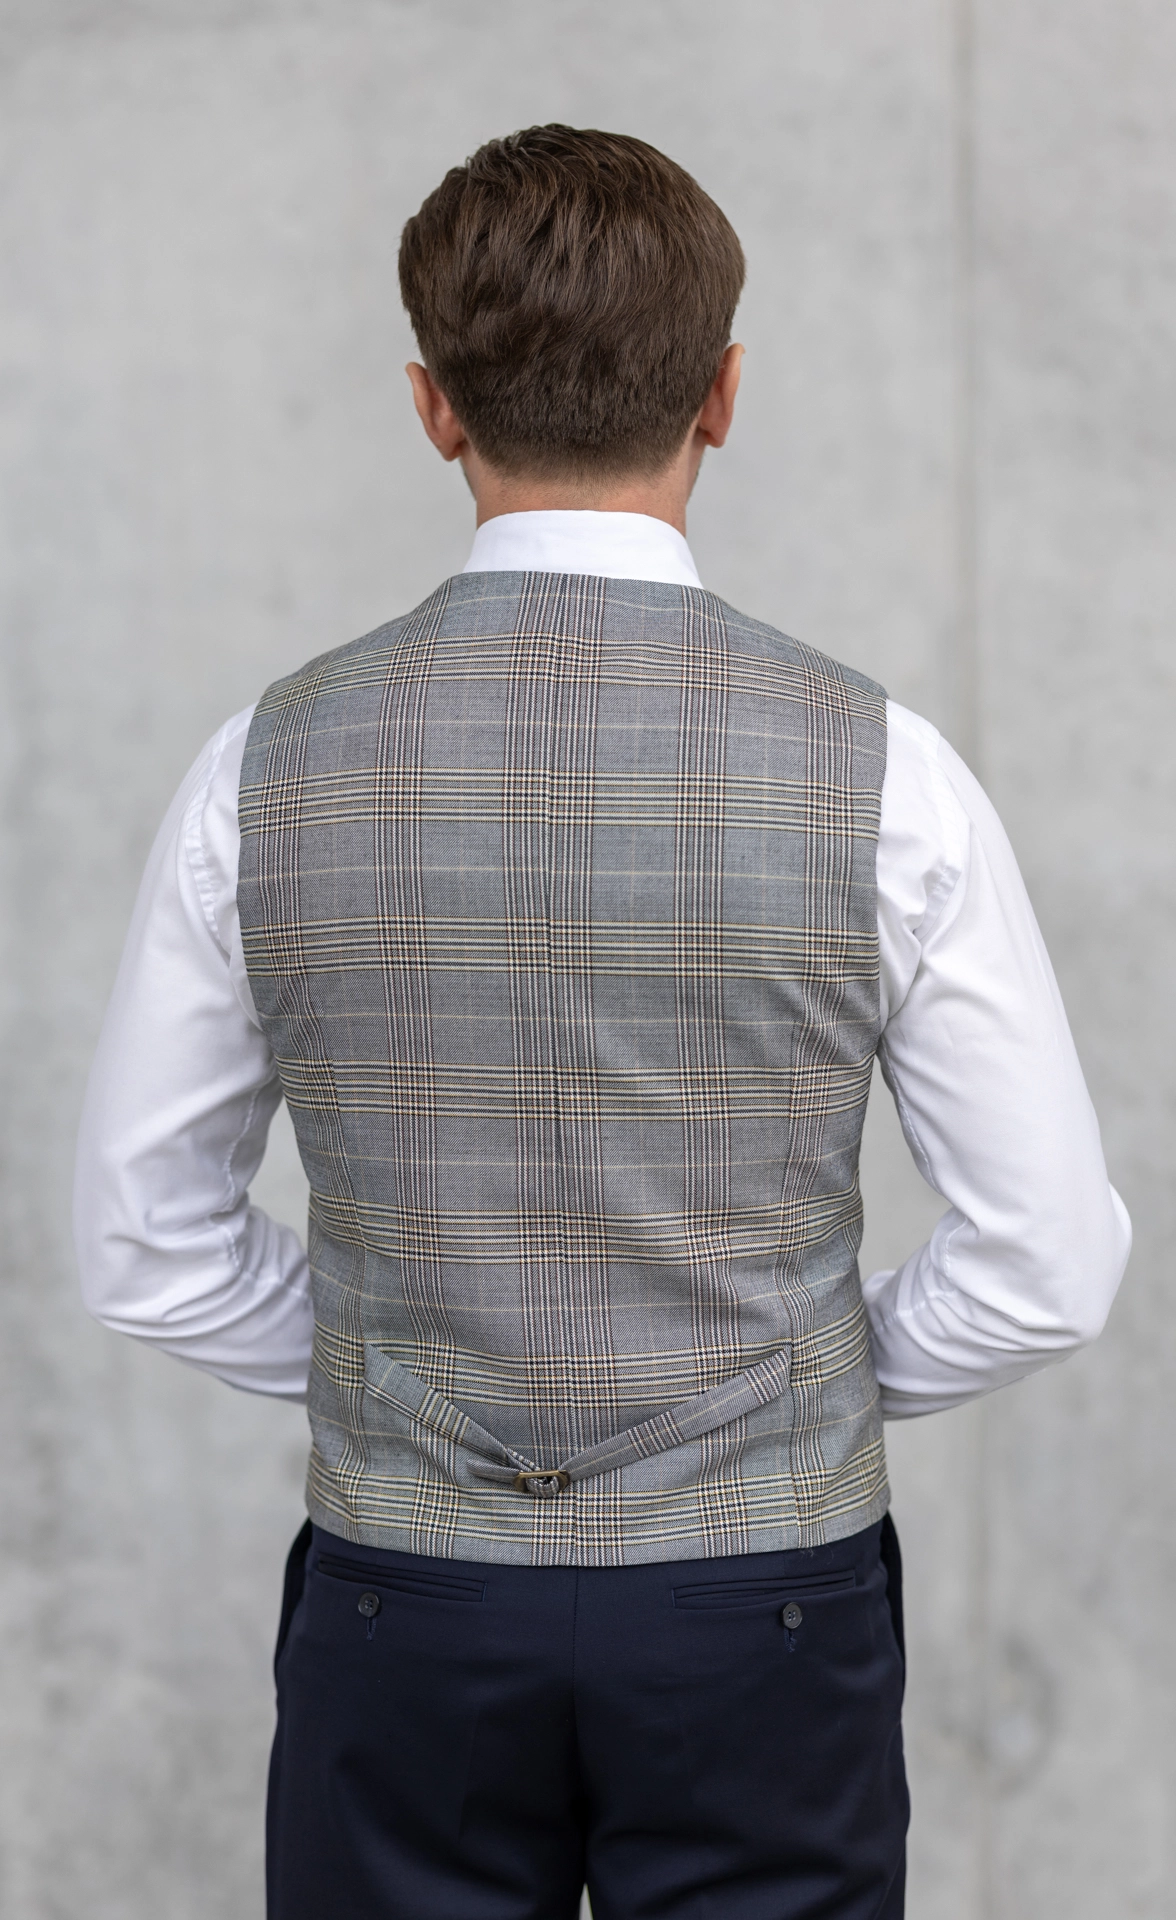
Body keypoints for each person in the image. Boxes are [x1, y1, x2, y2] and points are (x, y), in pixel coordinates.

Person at [74, 125, 1130, 1920]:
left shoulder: (267, 765)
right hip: (763, 1609)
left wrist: (400, 1378)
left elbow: (146, 1248)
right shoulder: (887, 773)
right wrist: (780, 1388)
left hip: (407, 1597)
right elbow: (1047, 1265)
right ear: (724, 394)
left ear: (432, 406)